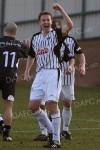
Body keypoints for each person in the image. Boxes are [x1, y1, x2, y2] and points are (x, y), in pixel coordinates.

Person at [24, 3, 73, 148]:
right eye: (43, 20)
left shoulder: (57, 33)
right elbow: (31, 55)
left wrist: (61, 10)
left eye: (48, 20)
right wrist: (27, 71)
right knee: (33, 106)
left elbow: (70, 24)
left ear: (51, 21)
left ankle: (56, 140)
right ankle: (52, 131)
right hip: (40, 74)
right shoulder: (35, 38)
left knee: (52, 104)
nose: (46, 22)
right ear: (39, 22)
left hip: (53, 71)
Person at [33, 19, 86, 141]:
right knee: (41, 104)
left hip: (66, 77)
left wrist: (80, 66)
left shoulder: (71, 40)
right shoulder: (44, 39)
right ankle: (44, 132)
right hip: (49, 77)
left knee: (67, 103)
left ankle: (65, 130)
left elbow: (78, 55)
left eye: (57, 28)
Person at [0, 22, 29, 141]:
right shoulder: (18, 44)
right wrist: (26, 46)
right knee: (8, 107)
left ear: (4, 30)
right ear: (16, 33)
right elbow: (29, 55)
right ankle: (6, 134)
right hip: (10, 78)